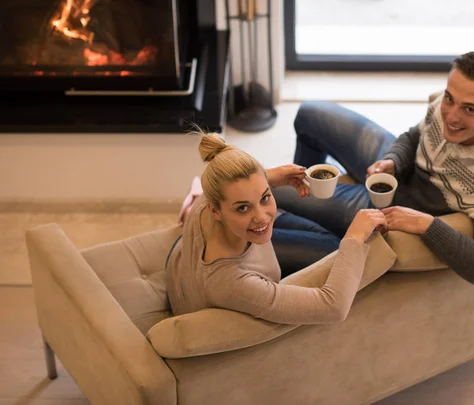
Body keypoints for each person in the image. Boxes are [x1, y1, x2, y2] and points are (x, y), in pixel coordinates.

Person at [272, 51, 474, 294]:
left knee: (275, 190)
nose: (451, 115)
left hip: (396, 204)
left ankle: (311, 224)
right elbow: (413, 136)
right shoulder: (450, 102)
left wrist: (427, 224)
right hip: (397, 170)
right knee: (310, 114)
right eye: (450, 99)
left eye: (469, 109)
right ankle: (310, 210)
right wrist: (392, 161)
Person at [166, 133, 390, 324]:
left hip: (180, 260)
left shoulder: (208, 200)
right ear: (215, 211)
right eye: (242, 208)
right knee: (334, 245)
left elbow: (236, 194)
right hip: (197, 287)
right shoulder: (231, 284)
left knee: (319, 237)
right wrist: (354, 236)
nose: (262, 217)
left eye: (265, 197)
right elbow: (334, 307)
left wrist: (270, 176)